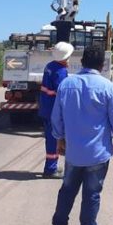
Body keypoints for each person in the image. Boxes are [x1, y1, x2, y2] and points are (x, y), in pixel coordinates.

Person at [50, 45, 113, 225]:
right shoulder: (107, 87)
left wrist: (59, 139)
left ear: (82, 61)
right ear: (102, 65)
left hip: (73, 153)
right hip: (97, 154)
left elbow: (56, 117)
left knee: (67, 191)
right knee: (91, 195)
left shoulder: (66, 85)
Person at [38, 41, 74, 178]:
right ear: (64, 58)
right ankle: (50, 169)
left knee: (50, 139)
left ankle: (51, 166)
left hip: (46, 109)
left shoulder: (50, 66)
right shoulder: (61, 71)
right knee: (55, 140)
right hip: (54, 111)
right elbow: (62, 94)